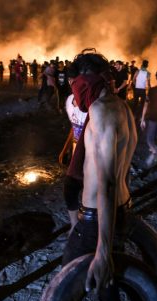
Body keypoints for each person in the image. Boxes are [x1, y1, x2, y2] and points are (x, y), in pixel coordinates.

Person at [60, 50, 137, 301]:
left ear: (86, 80)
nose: (74, 93)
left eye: (75, 85)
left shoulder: (102, 111)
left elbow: (105, 182)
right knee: (107, 285)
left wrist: (102, 250)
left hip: (95, 220)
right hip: (120, 210)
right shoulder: (123, 108)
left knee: (67, 290)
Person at [59, 91, 88, 228]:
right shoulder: (70, 102)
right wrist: (65, 149)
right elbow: (74, 127)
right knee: (71, 186)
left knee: (78, 184)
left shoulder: (91, 108)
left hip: (89, 153)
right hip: (77, 151)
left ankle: (86, 217)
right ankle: (76, 223)